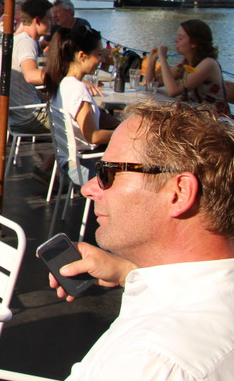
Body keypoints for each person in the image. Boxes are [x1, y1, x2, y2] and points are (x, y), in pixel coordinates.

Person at [47, 101, 234, 379]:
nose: (88, 188)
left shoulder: (153, 363)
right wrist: (128, 272)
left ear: (179, 193)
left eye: (108, 173)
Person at [44, 26, 120, 183]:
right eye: (98, 54)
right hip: (82, 167)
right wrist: (125, 134)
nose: (102, 60)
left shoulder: (61, 83)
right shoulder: (78, 90)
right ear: (82, 56)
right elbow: (93, 136)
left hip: (67, 161)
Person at [0, 0, 53, 136]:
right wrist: (66, 76)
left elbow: (25, 85)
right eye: (49, 19)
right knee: (90, 121)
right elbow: (31, 76)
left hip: (16, 116)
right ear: (37, 20)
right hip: (29, 119)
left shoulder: (17, 39)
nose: (52, 23)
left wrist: (47, 98)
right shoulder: (27, 42)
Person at [148, 19, 230, 115]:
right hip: (199, 116)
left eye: (180, 38)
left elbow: (173, 91)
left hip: (217, 119)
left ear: (194, 43)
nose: (175, 41)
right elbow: (150, 84)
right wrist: (152, 59)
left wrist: (162, 57)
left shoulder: (208, 64)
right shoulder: (186, 65)